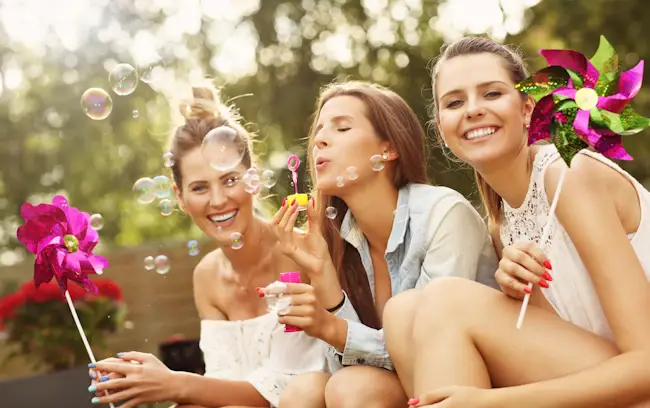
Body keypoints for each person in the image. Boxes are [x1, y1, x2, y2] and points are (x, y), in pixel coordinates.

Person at [384, 36, 650, 407]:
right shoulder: (501, 226)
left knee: (447, 299)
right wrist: (526, 293)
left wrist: (490, 402)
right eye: (455, 102)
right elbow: (560, 341)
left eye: (491, 94)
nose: (473, 110)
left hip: (636, 384)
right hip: (595, 378)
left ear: (528, 110)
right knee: (401, 311)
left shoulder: (570, 176)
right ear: (442, 130)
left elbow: (645, 366)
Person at [87, 84, 337, 408]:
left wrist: (173, 383)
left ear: (253, 179)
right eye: (200, 187)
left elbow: (285, 387)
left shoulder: (300, 253)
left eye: (230, 180)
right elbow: (223, 383)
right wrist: (145, 383)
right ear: (180, 197)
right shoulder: (207, 276)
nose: (218, 201)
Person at [265, 80, 500, 408]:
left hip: (472, 388)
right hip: (406, 388)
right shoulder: (335, 237)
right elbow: (345, 364)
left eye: (342, 127)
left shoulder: (444, 214)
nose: (319, 140)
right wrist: (323, 277)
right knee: (303, 393)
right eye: (318, 132)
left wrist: (333, 328)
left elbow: (428, 353)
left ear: (388, 149)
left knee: (351, 389)